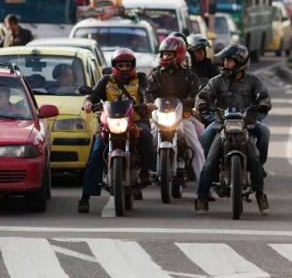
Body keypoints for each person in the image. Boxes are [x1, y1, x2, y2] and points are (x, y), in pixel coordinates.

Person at [194, 44, 270, 215]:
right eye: (225, 60)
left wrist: (263, 104)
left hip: (247, 125)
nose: (225, 63)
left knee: (261, 140)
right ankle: (202, 197)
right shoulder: (216, 81)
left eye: (229, 60)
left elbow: (263, 96)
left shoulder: (254, 81)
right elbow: (203, 96)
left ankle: (260, 193)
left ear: (240, 63)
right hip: (222, 124)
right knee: (207, 141)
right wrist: (203, 105)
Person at [78, 48, 156, 213]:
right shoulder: (106, 80)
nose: (124, 68)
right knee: (97, 153)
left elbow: (146, 92)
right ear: (114, 65)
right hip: (109, 125)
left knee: (147, 134)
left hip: (135, 122)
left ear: (133, 65)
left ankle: (145, 171)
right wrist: (89, 102)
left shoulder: (141, 78)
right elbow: (94, 95)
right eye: (121, 65)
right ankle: (85, 197)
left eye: (128, 65)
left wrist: (148, 102)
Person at [148, 36, 206, 190]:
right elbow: (147, 92)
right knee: (146, 140)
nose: (166, 57)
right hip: (159, 118)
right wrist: (147, 102)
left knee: (196, 146)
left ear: (179, 54)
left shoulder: (190, 76)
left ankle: (204, 186)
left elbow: (197, 93)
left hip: (182, 118)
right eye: (164, 54)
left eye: (169, 54)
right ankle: (141, 176)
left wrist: (193, 100)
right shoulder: (155, 74)